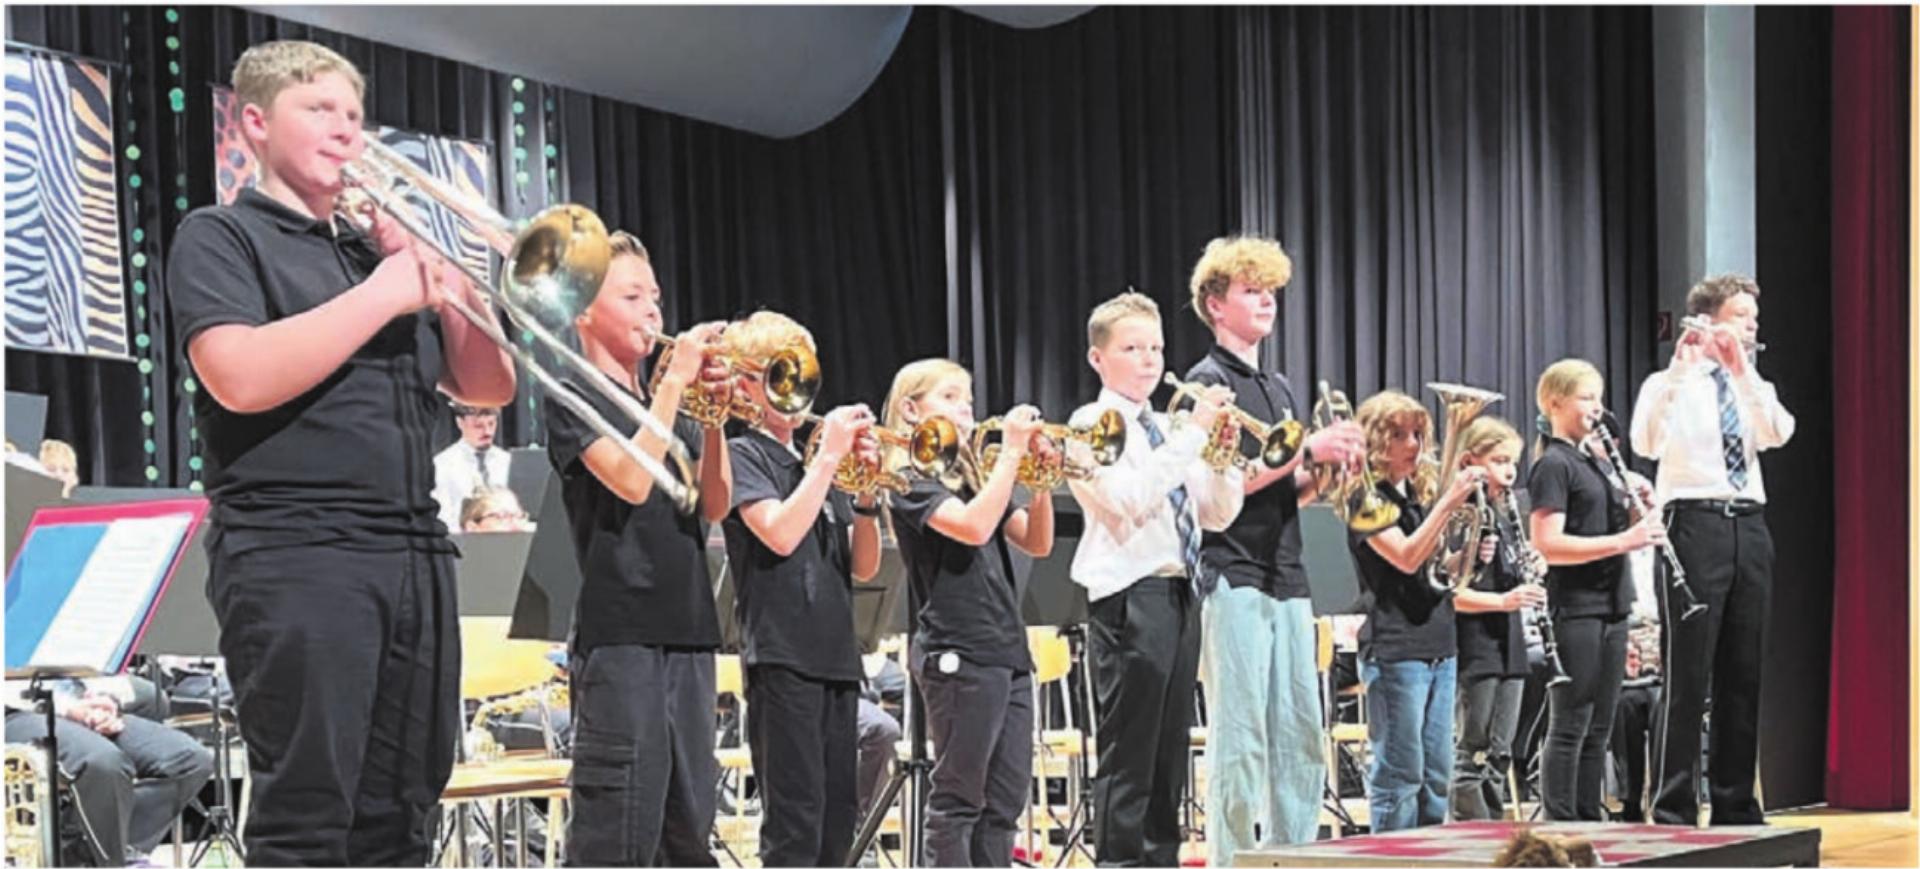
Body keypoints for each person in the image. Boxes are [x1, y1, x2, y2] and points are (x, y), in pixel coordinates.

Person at [166, 39, 515, 864]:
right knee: (308, 816)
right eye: (318, 108)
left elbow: (488, 385)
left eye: (354, 114)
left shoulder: (375, 253)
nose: (345, 129)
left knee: (403, 815)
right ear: (254, 122)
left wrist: (446, 285)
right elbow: (238, 376)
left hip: (415, 550)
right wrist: (384, 293)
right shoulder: (220, 235)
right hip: (296, 548)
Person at [543, 229, 732, 866]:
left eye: (655, 297)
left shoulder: (667, 408)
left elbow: (714, 505)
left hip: (689, 630)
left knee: (688, 835)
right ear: (582, 311)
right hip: (621, 636)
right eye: (632, 296)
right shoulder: (572, 391)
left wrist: (713, 419)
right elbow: (629, 479)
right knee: (617, 834)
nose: (652, 310)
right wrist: (673, 385)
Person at [1178, 236, 1365, 861]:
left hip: (1287, 573)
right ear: (1215, 305)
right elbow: (1224, 486)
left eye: (1271, 292)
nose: (1267, 302)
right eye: (1251, 291)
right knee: (1241, 739)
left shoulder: (1279, 387)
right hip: (1233, 572)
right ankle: (1232, 860)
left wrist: (1327, 472)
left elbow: (1286, 490)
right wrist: (1307, 450)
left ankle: (1295, 856)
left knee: (1301, 738)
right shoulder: (1206, 385)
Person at [1065, 291, 1244, 866]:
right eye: (1132, 348)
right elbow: (1128, 498)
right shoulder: (1090, 424)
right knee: (1130, 752)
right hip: (1130, 595)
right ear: (1098, 359)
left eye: (1157, 348)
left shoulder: (1168, 427)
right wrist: (1194, 435)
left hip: (1180, 589)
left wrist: (1221, 460)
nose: (1149, 360)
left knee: (1169, 754)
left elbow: (1216, 515)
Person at [1629, 274, 1794, 827]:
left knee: (1742, 672)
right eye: (1741, 316)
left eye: (1753, 318)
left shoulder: (1752, 383)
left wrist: (1743, 372)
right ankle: (1673, 807)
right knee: (1688, 672)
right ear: (1709, 319)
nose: (1751, 326)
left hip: (1748, 523)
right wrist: (1680, 370)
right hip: (1693, 524)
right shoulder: (1667, 383)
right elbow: (1645, 441)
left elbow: (1778, 432)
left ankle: (1734, 804)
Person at [722, 311, 884, 866]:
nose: (794, 389)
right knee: (795, 826)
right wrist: (830, 457)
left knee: (837, 825)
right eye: (778, 373)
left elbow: (864, 566)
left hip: (836, 657)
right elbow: (780, 533)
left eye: (799, 372)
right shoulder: (743, 454)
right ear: (746, 384)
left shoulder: (815, 464)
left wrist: (866, 494)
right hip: (782, 657)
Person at [882, 358, 1054, 867]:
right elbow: (973, 528)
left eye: (968, 400)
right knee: (959, 799)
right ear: (911, 410)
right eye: (951, 397)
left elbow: (1037, 542)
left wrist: (1042, 479)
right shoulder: (908, 478)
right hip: (957, 648)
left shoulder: (974, 479)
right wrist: (1012, 454)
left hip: (1005, 648)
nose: (966, 410)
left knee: (1003, 804)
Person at [1525, 359, 1663, 821]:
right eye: (1586, 398)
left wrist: (1637, 512)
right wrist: (1626, 540)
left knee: (1599, 725)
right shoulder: (1553, 464)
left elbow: (1602, 526)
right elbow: (1549, 544)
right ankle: (1561, 821)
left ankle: (1589, 821)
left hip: (1613, 605)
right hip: (1577, 608)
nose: (1596, 408)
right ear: (1555, 403)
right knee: (1570, 723)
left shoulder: (1596, 463)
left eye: (1598, 398)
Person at [1345, 391, 1482, 831]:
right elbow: (1405, 557)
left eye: (1419, 435)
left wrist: (1470, 556)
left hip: (1440, 642)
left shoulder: (1418, 498)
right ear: (1376, 442)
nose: (1413, 445)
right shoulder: (1364, 499)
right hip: (1397, 648)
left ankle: (1430, 856)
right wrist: (1448, 503)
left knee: (1437, 777)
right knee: (1400, 776)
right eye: (1399, 435)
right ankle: (1391, 858)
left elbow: (1433, 570)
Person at [1446, 417, 1550, 821]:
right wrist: (1505, 600)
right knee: (1473, 747)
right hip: (1477, 644)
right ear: (1470, 461)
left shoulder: (1507, 513)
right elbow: (1453, 595)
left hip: (1510, 643)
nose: (1509, 471)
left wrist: (1534, 565)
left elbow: (1509, 574)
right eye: (1499, 460)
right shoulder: (1461, 516)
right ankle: (1472, 831)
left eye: (1513, 462)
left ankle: (1494, 827)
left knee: (1501, 750)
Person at [4, 676, 214, 866]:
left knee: (189, 759)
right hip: (18, 709)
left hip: (80, 700)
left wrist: (105, 699)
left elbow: (95, 663)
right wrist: (67, 707)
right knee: (103, 763)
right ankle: (107, 858)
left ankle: (91, 853)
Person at [433, 403, 512, 529]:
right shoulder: (443, 465)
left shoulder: (507, 461)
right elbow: (442, 516)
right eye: (478, 426)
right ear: (460, 423)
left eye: (491, 424)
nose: (487, 432)